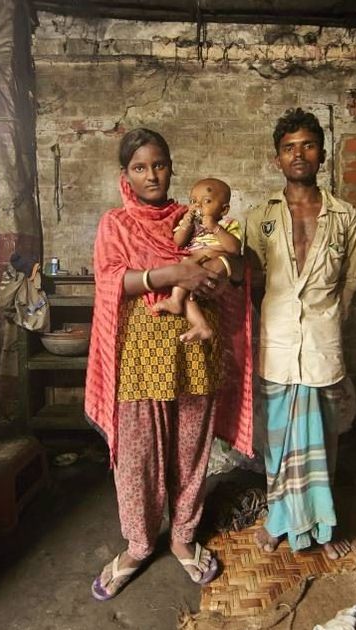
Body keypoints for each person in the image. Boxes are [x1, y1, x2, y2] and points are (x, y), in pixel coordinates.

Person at [84, 128, 253, 600]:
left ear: (171, 167)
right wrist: (172, 273)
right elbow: (109, 281)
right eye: (140, 167)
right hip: (139, 359)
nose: (151, 174)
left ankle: (182, 537)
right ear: (126, 176)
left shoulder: (192, 217)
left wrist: (218, 272)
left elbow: (240, 265)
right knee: (138, 459)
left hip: (195, 352)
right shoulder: (115, 224)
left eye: (158, 164)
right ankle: (138, 545)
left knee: (190, 452)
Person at [243, 108, 356, 560]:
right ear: (277, 158)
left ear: (322, 154)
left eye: (308, 145)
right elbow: (250, 280)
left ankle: (324, 525)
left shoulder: (345, 216)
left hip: (322, 345)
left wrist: (327, 321)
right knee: (276, 441)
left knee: (324, 440)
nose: (299, 154)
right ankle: (279, 520)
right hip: (275, 344)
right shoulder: (261, 216)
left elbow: (352, 281)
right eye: (289, 147)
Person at [152, 177, 242, 342]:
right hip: (194, 263)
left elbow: (234, 249)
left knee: (189, 271)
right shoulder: (191, 223)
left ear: (224, 210)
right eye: (193, 201)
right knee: (186, 282)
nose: (198, 205)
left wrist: (215, 227)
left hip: (216, 259)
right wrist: (186, 222)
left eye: (206, 201)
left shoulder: (227, 223)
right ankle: (200, 324)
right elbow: (178, 242)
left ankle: (176, 300)